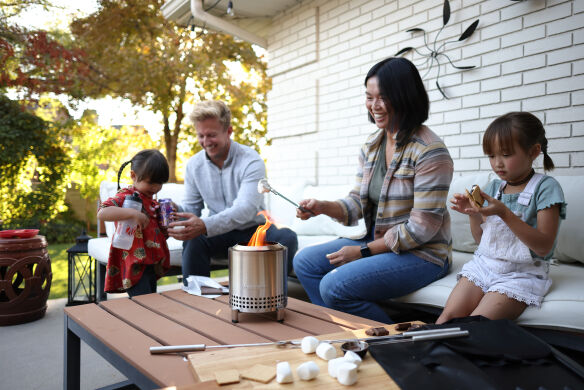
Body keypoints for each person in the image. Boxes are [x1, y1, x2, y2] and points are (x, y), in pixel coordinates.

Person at [293, 57, 453, 323]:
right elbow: (357, 202)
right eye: (369, 97)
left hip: (422, 254)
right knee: (305, 262)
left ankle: (394, 342)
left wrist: (363, 252)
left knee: (334, 286)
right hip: (375, 239)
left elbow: (422, 229)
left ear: (404, 96)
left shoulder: (429, 151)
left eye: (383, 97)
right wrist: (322, 207)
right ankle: (339, 329)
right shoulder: (372, 145)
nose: (374, 106)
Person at [437, 112, 566, 324]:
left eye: (506, 155)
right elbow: (484, 243)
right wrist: (474, 214)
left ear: (534, 151)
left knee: (476, 325)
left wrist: (504, 213)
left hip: (521, 275)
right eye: (491, 156)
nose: (497, 163)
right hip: (484, 266)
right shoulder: (494, 188)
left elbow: (544, 247)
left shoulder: (546, 188)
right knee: (447, 317)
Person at [168, 100, 298, 281]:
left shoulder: (251, 161)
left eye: (211, 135)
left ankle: (266, 296)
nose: (206, 142)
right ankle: (196, 295)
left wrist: (205, 225)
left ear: (228, 131)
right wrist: (178, 212)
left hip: (252, 231)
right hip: (217, 233)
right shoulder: (193, 166)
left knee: (287, 238)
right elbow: (192, 209)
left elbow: (245, 210)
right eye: (201, 136)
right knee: (194, 239)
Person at [98, 149, 171, 297]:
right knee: (144, 304)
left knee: (151, 300)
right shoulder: (126, 196)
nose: (155, 188)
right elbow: (102, 213)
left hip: (151, 262)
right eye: (151, 183)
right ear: (133, 176)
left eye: (160, 183)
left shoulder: (151, 200)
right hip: (134, 262)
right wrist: (132, 213)